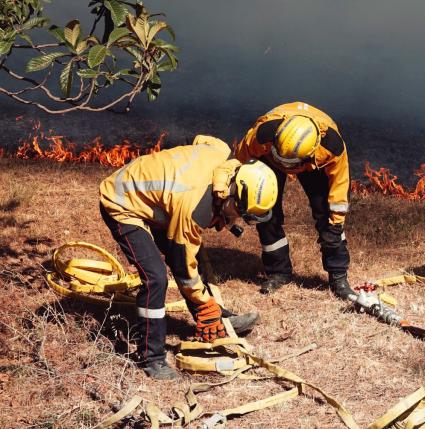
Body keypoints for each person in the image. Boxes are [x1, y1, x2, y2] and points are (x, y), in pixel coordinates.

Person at [99, 135, 278, 379]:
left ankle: (216, 316)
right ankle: (152, 358)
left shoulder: (223, 152)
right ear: (231, 193)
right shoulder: (192, 208)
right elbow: (184, 270)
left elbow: (197, 139)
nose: (238, 220)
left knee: (193, 256)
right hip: (122, 201)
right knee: (156, 279)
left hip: (162, 199)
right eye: (240, 212)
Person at [235, 101, 355, 299]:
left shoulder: (332, 147)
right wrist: (242, 200)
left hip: (312, 165)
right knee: (266, 212)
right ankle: (278, 273)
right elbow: (239, 165)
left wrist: (335, 226)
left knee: (326, 212)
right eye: (284, 162)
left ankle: (338, 276)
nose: (287, 168)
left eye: (289, 164)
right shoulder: (261, 135)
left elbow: (339, 192)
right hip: (269, 157)